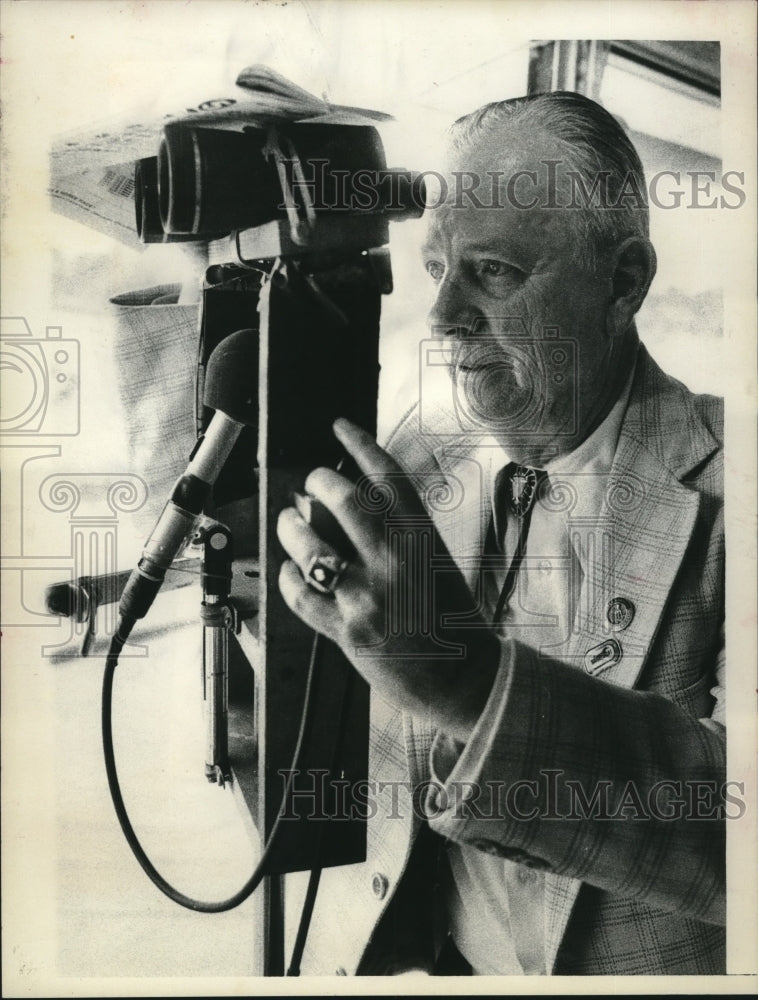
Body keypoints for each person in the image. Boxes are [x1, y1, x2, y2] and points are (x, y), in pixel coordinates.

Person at [276, 91, 726, 976]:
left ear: (624, 282)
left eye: (493, 273)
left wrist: (469, 686)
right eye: (438, 266)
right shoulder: (414, 458)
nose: (443, 319)